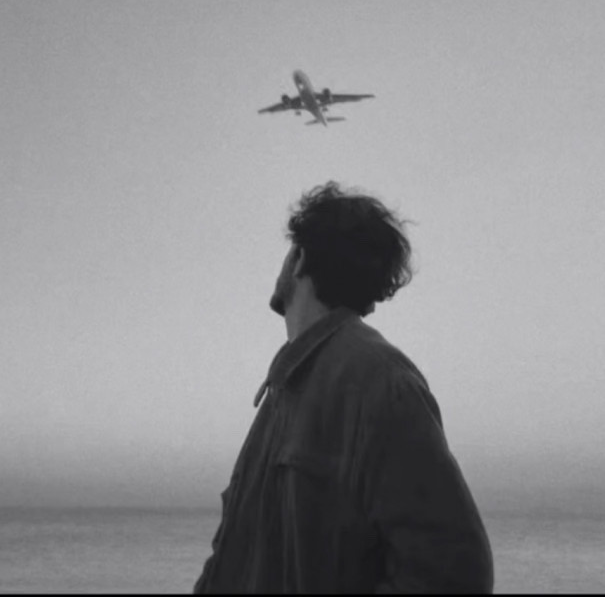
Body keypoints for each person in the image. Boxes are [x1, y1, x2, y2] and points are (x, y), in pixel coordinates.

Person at [193, 181, 493, 594]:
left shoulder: (381, 382)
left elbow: (454, 574)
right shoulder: (283, 389)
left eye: (290, 250)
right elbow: (232, 555)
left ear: (299, 258)